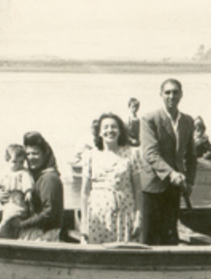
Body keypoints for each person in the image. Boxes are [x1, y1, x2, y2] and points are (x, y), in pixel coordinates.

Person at [140, 78, 197, 245]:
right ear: (161, 95)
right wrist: (171, 173)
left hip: (175, 188)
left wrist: (191, 181)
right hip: (152, 186)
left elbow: (192, 155)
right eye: (167, 92)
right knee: (150, 235)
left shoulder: (188, 121)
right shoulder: (149, 119)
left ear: (181, 95)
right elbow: (151, 154)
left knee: (170, 235)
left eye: (175, 92)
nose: (171, 96)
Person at [80, 113, 142, 244]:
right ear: (99, 132)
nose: (110, 131)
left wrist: (138, 218)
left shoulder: (131, 154)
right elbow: (85, 192)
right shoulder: (90, 156)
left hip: (124, 214)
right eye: (105, 127)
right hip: (97, 216)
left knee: (124, 257)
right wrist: (84, 223)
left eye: (114, 127)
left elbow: (138, 190)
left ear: (120, 131)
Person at [18, 132, 64, 242]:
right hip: (36, 231)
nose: (30, 158)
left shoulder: (49, 178)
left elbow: (48, 213)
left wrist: (21, 224)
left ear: (45, 154)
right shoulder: (33, 177)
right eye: (27, 154)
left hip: (45, 236)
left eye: (35, 153)